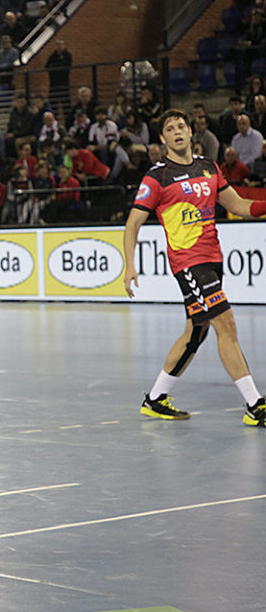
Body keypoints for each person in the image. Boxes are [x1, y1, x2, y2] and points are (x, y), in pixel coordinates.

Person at [124, 109, 266, 423]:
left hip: (213, 259)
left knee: (196, 331)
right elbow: (133, 223)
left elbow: (238, 205)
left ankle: (155, 398)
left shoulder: (209, 167)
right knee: (225, 324)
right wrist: (129, 265)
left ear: (190, 133)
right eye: (170, 128)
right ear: (162, 138)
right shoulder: (157, 176)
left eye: (181, 126)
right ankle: (255, 406)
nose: (177, 132)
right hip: (188, 263)